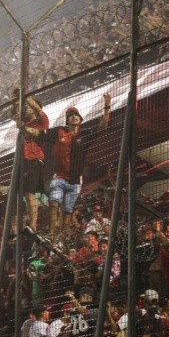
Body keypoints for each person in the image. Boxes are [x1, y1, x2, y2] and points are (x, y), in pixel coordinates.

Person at [46, 93, 112, 240]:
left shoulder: (85, 135)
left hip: (75, 181)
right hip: (59, 177)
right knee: (53, 203)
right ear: (67, 120)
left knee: (67, 211)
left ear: (80, 120)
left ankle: (61, 239)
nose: (74, 117)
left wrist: (107, 106)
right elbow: (42, 133)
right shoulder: (59, 132)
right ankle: (51, 235)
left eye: (76, 115)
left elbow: (103, 126)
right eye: (71, 115)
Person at [10, 92, 50, 232]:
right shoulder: (24, 122)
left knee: (29, 193)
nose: (26, 108)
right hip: (21, 161)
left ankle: (33, 225)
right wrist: (15, 101)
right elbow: (12, 115)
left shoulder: (42, 121)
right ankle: (14, 228)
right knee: (14, 195)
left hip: (33, 160)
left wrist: (25, 96)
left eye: (28, 106)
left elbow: (38, 109)